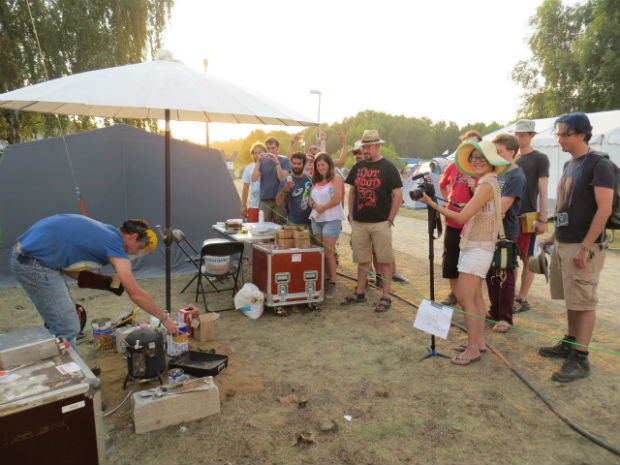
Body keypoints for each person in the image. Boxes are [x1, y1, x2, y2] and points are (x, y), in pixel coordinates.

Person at [10, 215, 179, 349]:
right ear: (133, 237)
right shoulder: (115, 245)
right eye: (140, 248)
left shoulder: (107, 232)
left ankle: (69, 365)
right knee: (67, 328)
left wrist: (102, 282)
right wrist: (164, 318)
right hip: (32, 262)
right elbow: (135, 293)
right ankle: (72, 378)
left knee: (64, 321)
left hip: (32, 255)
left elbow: (67, 267)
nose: (136, 253)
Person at [418, 140, 510, 365]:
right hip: (479, 245)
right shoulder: (488, 182)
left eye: (481, 157)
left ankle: (472, 348)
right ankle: (477, 342)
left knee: (465, 297)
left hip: (478, 247)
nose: (476, 161)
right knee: (476, 297)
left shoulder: (487, 184)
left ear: (491, 160)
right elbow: (477, 212)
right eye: (473, 157)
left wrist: (431, 203)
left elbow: (460, 219)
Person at [538, 113, 613, 382]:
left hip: (584, 246)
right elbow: (567, 206)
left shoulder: (598, 165)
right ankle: (570, 343)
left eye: (564, 134)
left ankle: (580, 358)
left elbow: (604, 209)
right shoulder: (571, 164)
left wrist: (585, 246)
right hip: (564, 242)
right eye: (558, 134)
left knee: (583, 300)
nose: (559, 139)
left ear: (581, 134)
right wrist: (554, 236)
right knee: (572, 298)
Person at [342, 129, 403, 312]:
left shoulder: (388, 167)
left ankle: (385, 296)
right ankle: (360, 291)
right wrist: (351, 214)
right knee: (362, 259)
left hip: (380, 222)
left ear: (378, 146)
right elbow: (352, 191)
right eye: (364, 147)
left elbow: (398, 195)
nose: (365, 151)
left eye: (369, 147)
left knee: (384, 260)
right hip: (360, 221)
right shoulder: (358, 167)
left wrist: (390, 219)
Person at [484, 134, 526, 333]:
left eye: (499, 152)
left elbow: (502, 207)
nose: (496, 156)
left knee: (504, 275)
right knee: (491, 273)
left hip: (505, 232)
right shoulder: (498, 173)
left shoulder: (516, 176)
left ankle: (506, 318)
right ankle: (494, 311)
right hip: (490, 230)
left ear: (512, 152)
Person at [438, 130, 480, 306]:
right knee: (451, 259)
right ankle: (455, 294)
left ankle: (469, 296)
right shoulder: (454, 166)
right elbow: (442, 185)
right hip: (453, 221)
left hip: (473, 224)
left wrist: (473, 188)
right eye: (466, 144)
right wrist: (449, 199)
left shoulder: (482, 169)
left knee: (470, 263)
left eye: (474, 145)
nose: (470, 149)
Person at [512, 119, 549, 313]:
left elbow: (543, 190)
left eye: (523, 135)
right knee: (509, 257)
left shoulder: (540, 158)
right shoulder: (511, 158)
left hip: (528, 215)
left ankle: (522, 298)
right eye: (517, 134)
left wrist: (543, 219)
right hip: (510, 216)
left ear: (532, 135)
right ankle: (510, 296)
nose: (519, 138)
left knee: (528, 258)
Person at [308, 153, 346, 299]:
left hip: (331, 219)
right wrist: (315, 205)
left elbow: (337, 198)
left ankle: (332, 283)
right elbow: (310, 199)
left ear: (329, 165)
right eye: (318, 165)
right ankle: (323, 278)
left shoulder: (336, 178)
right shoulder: (316, 180)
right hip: (316, 219)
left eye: (323, 164)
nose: (320, 167)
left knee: (329, 252)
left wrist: (323, 207)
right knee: (321, 251)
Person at [251, 137, 291, 224]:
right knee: (264, 227)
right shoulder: (263, 161)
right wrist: (258, 162)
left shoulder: (284, 160)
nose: (271, 150)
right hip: (265, 200)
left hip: (280, 200)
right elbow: (253, 178)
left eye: (273, 148)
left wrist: (276, 162)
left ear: (278, 148)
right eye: (268, 148)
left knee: (280, 227)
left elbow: (283, 179)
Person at [275, 151, 312, 226]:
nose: (296, 166)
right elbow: (278, 202)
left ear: (304, 164)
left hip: (311, 222)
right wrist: (285, 190)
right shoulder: (286, 180)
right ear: (291, 164)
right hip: (293, 222)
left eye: (299, 164)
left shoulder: (310, 179)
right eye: (294, 163)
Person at [241, 142, 264, 222]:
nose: (257, 155)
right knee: (253, 230)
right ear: (252, 155)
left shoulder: (270, 165)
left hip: (268, 207)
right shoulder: (248, 169)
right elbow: (245, 188)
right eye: (255, 153)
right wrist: (244, 205)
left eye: (260, 152)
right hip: (254, 206)